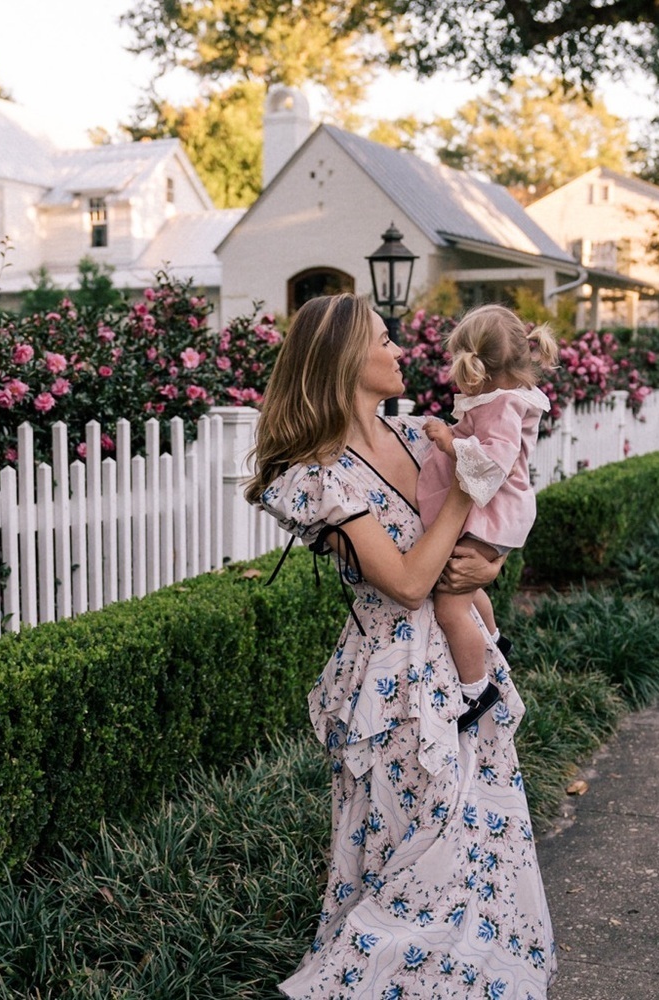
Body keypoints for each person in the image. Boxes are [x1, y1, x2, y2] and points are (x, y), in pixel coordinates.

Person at [245, 293, 556, 999]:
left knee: (478, 838)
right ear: (350, 359)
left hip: (464, 659)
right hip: (395, 693)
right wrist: (461, 499)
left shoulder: (421, 434)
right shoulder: (319, 475)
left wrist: (492, 565)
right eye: (384, 341)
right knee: (410, 853)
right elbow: (411, 583)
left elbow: (491, 513)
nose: (398, 352)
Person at [417, 304, 559, 732]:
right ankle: (495, 641)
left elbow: (495, 460)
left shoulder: (501, 406)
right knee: (467, 584)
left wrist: (448, 443)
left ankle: (475, 691)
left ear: (476, 367)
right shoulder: (503, 399)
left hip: (497, 512)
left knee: (450, 606)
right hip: (502, 510)